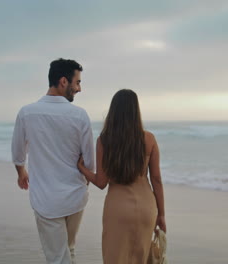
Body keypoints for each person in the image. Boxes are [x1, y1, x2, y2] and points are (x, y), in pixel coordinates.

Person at [11, 58, 94, 264]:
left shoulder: (27, 113)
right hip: (75, 196)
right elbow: (90, 162)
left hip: (46, 198)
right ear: (64, 81)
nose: (79, 88)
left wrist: (21, 172)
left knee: (58, 257)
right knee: (68, 249)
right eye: (78, 82)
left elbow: (17, 152)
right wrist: (85, 182)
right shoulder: (80, 115)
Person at [77, 89, 166, 264]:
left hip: (117, 209)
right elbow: (156, 179)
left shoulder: (104, 140)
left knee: (115, 258)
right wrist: (161, 214)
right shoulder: (149, 139)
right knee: (141, 257)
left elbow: (101, 182)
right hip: (146, 208)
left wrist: (82, 168)